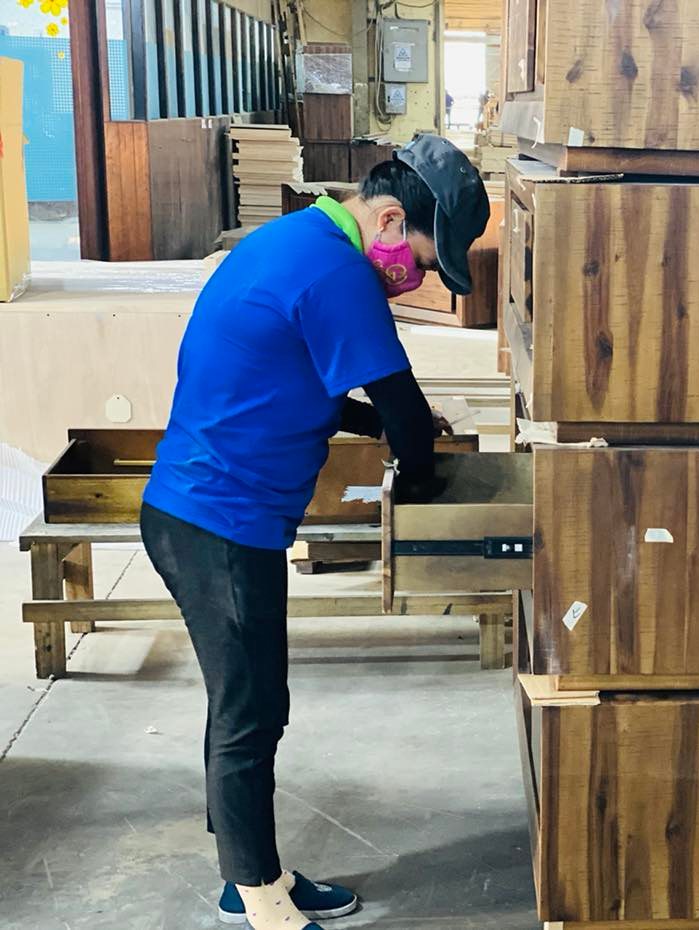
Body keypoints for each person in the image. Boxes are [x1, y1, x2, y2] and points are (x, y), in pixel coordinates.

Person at [140, 135, 489, 929]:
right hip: (219, 523)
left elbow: (301, 382)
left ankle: (248, 872)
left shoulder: (298, 240)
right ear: (391, 219)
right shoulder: (336, 272)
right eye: (424, 262)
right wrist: (424, 482)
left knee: (245, 702)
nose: (417, 279)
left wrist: (382, 426)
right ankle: (258, 897)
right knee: (252, 709)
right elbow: (403, 407)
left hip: (207, 513)